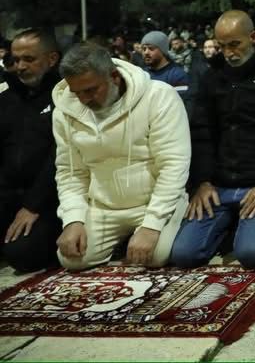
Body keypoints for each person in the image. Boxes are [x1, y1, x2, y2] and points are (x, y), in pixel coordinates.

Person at [52, 44, 190, 270]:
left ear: (114, 77)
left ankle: (143, 234)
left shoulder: (159, 95)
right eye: (77, 93)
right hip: (103, 207)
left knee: (156, 257)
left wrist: (152, 224)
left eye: (91, 90)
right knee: (72, 258)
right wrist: (73, 219)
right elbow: (70, 172)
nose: (84, 100)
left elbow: (173, 165)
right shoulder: (64, 111)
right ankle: (126, 241)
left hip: (151, 202)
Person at [169, 11, 255, 268]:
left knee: (250, 254)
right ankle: (227, 226)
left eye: (235, 44)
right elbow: (202, 132)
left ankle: (241, 228)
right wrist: (202, 182)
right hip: (219, 185)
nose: (229, 53)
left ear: (252, 37)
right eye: (222, 46)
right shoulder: (211, 76)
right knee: (184, 255)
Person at [0, 29, 62, 271]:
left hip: (47, 200)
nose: (20, 67)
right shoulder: (6, 97)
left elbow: (61, 156)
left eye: (28, 59)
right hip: (7, 194)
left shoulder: (66, 95)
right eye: (15, 60)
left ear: (52, 59)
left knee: (22, 253)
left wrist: (32, 205)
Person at [140, 31, 192, 112]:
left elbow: (179, 108)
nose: (146, 52)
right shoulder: (142, 74)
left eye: (151, 48)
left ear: (162, 51)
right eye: (144, 49)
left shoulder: (177, 75)